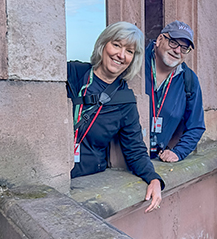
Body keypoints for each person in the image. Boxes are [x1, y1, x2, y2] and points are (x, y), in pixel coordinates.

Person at [67, 22, 163, 213]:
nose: (121, 55)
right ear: (103, 45)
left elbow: (134, 148)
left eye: (129, 51)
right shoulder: (73, 73)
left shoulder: (125, 101)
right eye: (117, 45)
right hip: (55, 172)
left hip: (86, 179)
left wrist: (153, 178)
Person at [145, 21, 205, 162]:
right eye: (173, 43)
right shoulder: (136, 66)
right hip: (122, 161)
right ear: (160, 40)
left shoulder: (188, 79)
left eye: (184, 48)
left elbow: (196, 125)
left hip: (155, 160)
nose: (177, 51)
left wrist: (179, 152)